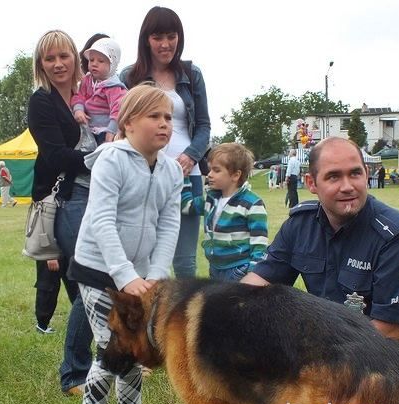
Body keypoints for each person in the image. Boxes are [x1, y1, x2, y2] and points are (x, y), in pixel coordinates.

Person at [242, 137, 399, 393]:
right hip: (335, 339)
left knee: (334, 396)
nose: (348, 186)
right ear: (311, 183)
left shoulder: (396, 235)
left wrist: (311, 358)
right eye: (333, 177)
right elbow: (258, 283)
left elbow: (392, 329)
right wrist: (224, 312)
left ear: (367, 174)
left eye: (355, 174)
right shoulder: (300, 225)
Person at [68, 84, 181, 404]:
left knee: (135, 349)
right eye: (154, 116)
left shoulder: (172, 171)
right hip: (99, 271)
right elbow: (101, 220)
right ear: (128, 123)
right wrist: (124, 275)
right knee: (111, 350)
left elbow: (170, 224)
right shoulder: (111, 160)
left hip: (142, 277)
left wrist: (156, 274)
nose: (164, 124)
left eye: (168, 117)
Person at [120, 6, 210, 279]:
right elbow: (123, 124)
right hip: (143, 174)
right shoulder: (129, 77)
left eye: (171, 36)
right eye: (158, 37)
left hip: (187, 176)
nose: (165, 44)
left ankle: (184, 308)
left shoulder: (192, 74)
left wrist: (191, 155)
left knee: (185, 262)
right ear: (146, 40)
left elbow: (204, 125)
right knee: (141, 257)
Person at [27, 30, 94, 396]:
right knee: (92, 283)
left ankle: (108, 362)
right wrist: (104, 158)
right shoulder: (41, 101)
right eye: (49, 58)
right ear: (41, 64)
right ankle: (74, 374)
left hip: (97, 196)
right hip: (65, 200)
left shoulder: (90, 94)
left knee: (84, 288)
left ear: (75, 58)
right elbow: (54, 155)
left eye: (63, 56)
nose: (57, 64)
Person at [181, 143, 267, 281]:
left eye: (216, 170)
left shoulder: (252, 204)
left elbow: (259, 244)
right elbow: (187, 206)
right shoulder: (210, 199)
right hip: (215, 268)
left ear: (235, 175)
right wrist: (184, 178)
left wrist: (253, 274)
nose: (209, 175)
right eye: (209, 169)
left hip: (239, 270)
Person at [72, 37, 127, 145]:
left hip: (106, 129)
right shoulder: (87, 80)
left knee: (104, 152)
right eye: (91, 60)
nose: (94, 64)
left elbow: (118, 110)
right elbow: (79, 96)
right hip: (88, 127)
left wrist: (111, 131)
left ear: (112, 65)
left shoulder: (114, 87)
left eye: (101, 61)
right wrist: (78, 110)